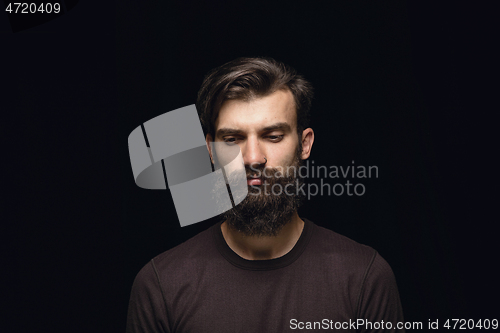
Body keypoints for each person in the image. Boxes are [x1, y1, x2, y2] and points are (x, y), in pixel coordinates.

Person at [126, 57, 405, 332]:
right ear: (210, 151)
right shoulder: (161, 284)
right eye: (232, 139)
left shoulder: (363, 278)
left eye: (272, 136)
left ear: (305, 144)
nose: (252, 158)